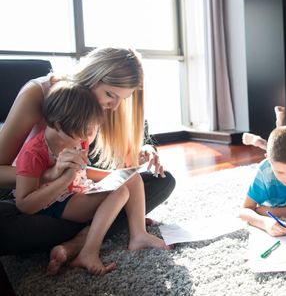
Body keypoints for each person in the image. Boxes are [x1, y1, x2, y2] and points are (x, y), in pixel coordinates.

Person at [0, 48, 176, 264]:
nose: (114, 107)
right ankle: (97, 231)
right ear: (91, 77)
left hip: (75, 192)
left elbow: (93, 170)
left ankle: (82, 238)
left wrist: (141, 154)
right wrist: (50, 175)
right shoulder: (38, 94)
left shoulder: (100, 108)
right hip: (29, 193)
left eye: (123, 99)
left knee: (160, 180)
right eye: (110, 95)